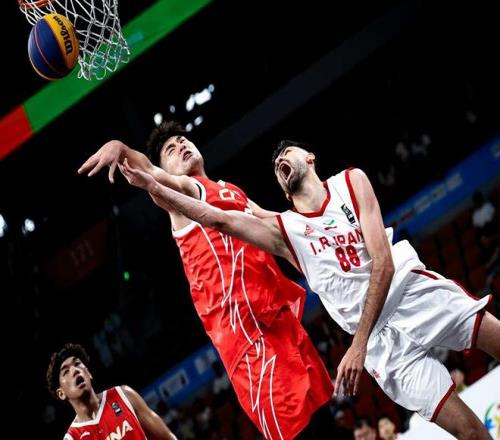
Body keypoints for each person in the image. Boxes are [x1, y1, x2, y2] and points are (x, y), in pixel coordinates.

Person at [117, 139, 500, 440]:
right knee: (468, 433)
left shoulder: (351, 182)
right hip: (383, 349)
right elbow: (219, 219)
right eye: (275, 164)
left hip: (408, 295)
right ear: (283, 193)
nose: (280, 159)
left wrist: (357, 345)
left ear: (310, 158)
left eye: (287, 152)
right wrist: (153, 186)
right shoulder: (287, 231)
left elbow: (382, 263)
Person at [78, 123, 334, 439]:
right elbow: (149, 171)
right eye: (171, 150)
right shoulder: (182, 195)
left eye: (183, 140)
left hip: (281, 324)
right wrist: (121, 148)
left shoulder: (231, 190)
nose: (181, 146)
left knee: (328, 421)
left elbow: (279, 225)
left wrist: (326, 220)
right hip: (249, 342)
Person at [46, 343, 177, 440]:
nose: (75, 370)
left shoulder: (124, 395)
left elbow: (167, 438)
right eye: (66, 371)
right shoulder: (73, 437)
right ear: (61, 393)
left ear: (89, 373)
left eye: (77, 364)